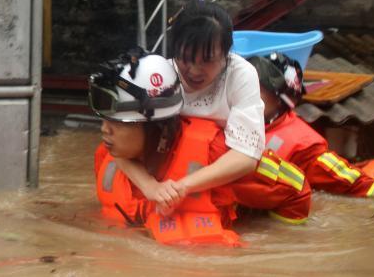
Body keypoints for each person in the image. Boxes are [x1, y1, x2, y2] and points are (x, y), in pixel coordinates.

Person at [90, 49, 312, 247]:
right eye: (104, 120)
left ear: (155, 126)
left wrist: (277, 238)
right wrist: (149, 186)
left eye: (118, 122)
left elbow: (296, 189)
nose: (104, 130)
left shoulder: (215, 152)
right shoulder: (108, 154)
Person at [113, 0, 267, 215]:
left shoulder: (241, 75)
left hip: (214, 176)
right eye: (185, 58)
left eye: (207, 60)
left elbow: (247, 156)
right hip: (161, 178)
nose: (194, 70)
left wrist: (182, 187)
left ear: (225, 53)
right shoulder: (158, 76)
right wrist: (151, 187)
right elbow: (116, 142)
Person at [248, 52, 374, 199]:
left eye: (256, 89)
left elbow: (359, 186)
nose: (243, 94)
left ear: (281, 100)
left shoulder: (305, 149)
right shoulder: (230, 122)